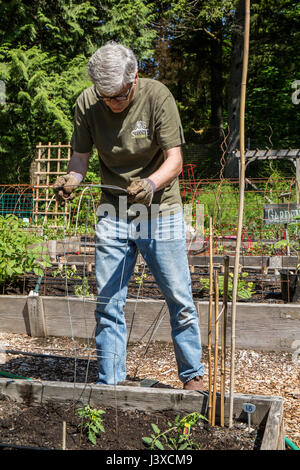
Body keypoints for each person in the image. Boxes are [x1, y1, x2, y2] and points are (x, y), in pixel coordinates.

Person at [53, 41, 204, 390]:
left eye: (118, 97)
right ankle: (111, 385)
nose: (111, 103)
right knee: (108, 302)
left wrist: (150, 183)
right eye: (105, 97)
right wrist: (71, 179)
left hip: (160, 210)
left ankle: (192, 376)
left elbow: (175, 160)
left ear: (134, 79)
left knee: (179, 298)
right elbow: (80, 158)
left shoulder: (157, 96)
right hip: (113, 210)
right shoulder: (87, 103)